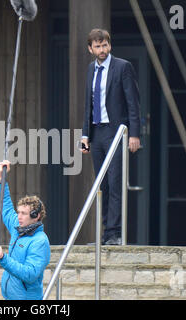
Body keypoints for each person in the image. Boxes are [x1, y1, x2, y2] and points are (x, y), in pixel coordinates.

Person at [80, 29, 141, 245]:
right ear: (90, 49)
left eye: (104, 45)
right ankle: (106, 232)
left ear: (109, 45)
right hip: (97, 133)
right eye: (97, 46)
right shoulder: (90, 69)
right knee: (102, 184)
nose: (102, 50)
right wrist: (84, 135)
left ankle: (114, 233)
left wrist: (134, 133)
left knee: (115, 183)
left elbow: (133, 102)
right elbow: (89, 103)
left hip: (116, 132)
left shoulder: (122, 67)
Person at [0, 160, 51, 300]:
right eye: (18, 212)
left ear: (35, 216)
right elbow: (5, 207)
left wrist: (3, 258)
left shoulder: (40, 241)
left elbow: (30, 274)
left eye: (23, 213)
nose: (18, 217)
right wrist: (1, 179)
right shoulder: (19, 227)